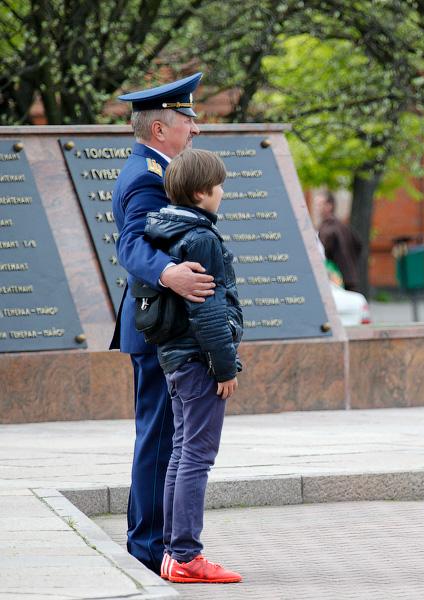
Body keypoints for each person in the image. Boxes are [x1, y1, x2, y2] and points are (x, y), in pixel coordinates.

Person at [110, 72, 214, 574]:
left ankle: (149, 542)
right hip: (158, 329)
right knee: (159, 440)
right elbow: (132, 245)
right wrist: (170, 272)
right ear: (159, 129)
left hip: (157, 326)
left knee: (163, 438)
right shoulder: (148, 176)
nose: (195, 130)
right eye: (188, 120)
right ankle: (148, 547)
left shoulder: (154, 168)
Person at [148, 149, 243, 583]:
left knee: (183, 453)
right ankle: (186, 556)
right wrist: (225, 368)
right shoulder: (200, 236)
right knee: (196, 458)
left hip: (175, 358)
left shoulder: (164, 228)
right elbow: (207, 310)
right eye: (219, 185)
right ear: (202, 191)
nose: (222, 192)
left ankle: (172, 554)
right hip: (198, 360)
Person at [315, 190, 364, 293]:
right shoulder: (343, 226)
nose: (317, 208)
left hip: (336, 283)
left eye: (320, 204)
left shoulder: (327, 230)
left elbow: (319, 255)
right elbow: (359, 245)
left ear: (329, 206)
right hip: (351, 279)